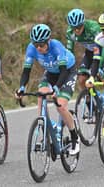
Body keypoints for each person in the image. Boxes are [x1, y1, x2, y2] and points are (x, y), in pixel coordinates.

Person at [15, 24, 80, 155]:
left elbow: (62, 71)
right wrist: (22, 87)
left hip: (67, 72)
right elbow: (26, 71)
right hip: (50, 73)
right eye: (36, 44)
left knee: (60, 106)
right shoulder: (32, 48)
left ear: (48, 41)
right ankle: (44, 128)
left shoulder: (56, 46)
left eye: (42, 45)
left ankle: (75, 137)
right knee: (41, 94)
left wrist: (56, 88)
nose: (38, 48)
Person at [66, 8, 104, 89]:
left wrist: (99, 65)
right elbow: (69, 52)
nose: (77, 30)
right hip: (90, 52)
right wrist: (68, 68)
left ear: (83, 23)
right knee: (81, 79)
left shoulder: (93, 28)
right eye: (74, 28)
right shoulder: (70, 33)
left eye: (79, 26)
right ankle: (89, 99)